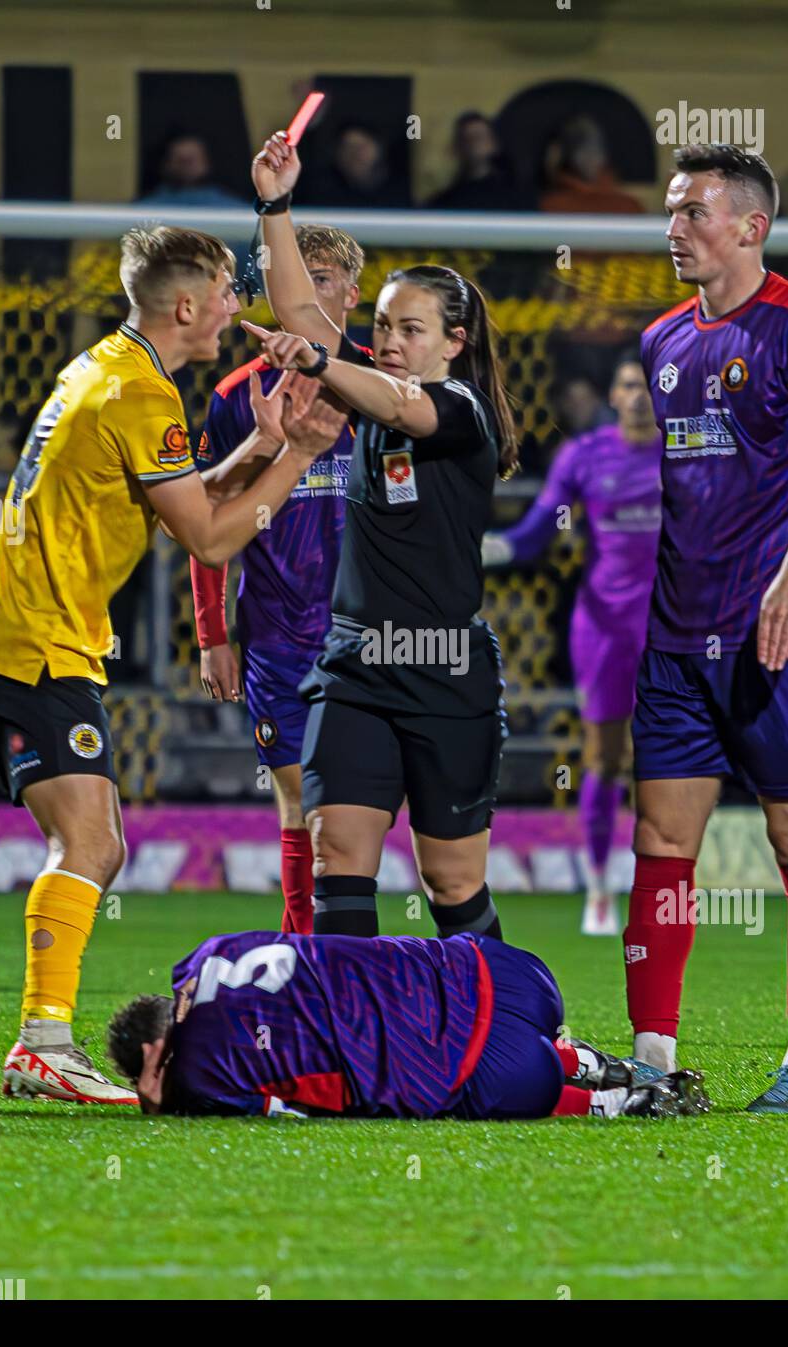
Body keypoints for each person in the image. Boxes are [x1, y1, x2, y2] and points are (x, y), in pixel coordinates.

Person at [0, 225, 349, 1104]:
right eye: (222, 292)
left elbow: (175, 491)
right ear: (184, 307)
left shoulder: (106, 367)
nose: (235, 308)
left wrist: (256, 447)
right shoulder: (141, 396)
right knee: (90, 844)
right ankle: (41, 1043)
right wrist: (299, 455)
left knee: (98, 844)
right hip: (38, 647)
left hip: (27, 637)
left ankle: (42, 1040)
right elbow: (210, 536)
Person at [629, 143, 788, 1114]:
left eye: (694, 212)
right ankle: (650, 1058)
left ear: (751, 226)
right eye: (672, 210)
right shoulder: (659, 342)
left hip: (782, 632)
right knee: (659, 841)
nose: (674, 227)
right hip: (678, 636)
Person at [246, 129, 519, 947]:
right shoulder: (369, 381)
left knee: (451, 879)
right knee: (338, 859)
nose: (392, 341)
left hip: (443, 669)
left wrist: (322, 361)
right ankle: (348, 1053)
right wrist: (275, 204)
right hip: (358, 667)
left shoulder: (458, 412)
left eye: (412, 330)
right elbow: (299, 311)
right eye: (385, 326)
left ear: (454, 343)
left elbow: (399, 405)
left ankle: (511, 1034)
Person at [190, 222, 365, 934]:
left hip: (369, 636)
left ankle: (367, 956)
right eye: (295, 276)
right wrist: (213, 635)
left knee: (361, 808)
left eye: (320, 279)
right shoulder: (239, 396)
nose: (303, 292)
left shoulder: (379, 383)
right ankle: (304, 955)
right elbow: (208, 518)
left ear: (351, 295)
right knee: (300, 805)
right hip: (278, 636)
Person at [107, 929, 710, 1120]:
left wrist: (161, 1094)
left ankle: (617, 1103)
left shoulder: (200, 1067)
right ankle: (590, 1062)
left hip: (491, 1064)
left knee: (500, 1084)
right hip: (507, 969)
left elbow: (263, 1108)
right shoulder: (208, 951)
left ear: (158, 1052)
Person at [483, 351, 661, 936]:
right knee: (604, 756)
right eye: (628, 385)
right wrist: (489, 549)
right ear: (613, 395)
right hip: (606, 625)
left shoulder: (686, 456)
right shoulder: (585, 456)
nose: (638, 396)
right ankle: (601, 886)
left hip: (676, 624)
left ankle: (664, 885)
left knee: (669, 760)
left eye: (649, 386)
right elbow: (539, 529)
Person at [425, 112, 531, 212]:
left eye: (479, 138)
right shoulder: (445, 201)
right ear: (456, 147)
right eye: (467, 139)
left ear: (494, 144)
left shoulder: (514, 198)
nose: (473, 145)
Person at [539, 115, 644, 216]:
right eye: (583, 150)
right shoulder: (630, 207)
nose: (590, 157)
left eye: (595, 150)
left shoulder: (551, 205)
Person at [302, 122, 409, 208]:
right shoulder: (325, 194)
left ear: (380, 148)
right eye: (347, 148)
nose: (355, 155)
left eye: (361, 147)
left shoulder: (405, 192)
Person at [138, 132, 246, 210]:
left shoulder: (234, 208)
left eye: (191, 159)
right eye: (179, 159)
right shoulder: (143, 209)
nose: (186, 165)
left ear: (207, 162)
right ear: (165, 164)